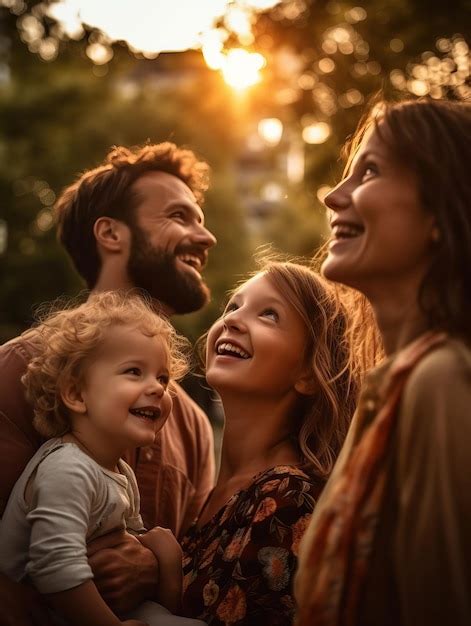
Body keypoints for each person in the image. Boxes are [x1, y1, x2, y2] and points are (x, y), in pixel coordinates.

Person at [0, 142, 217, 624]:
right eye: (180, 216)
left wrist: (153, 562)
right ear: (111, 233)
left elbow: (195, 566)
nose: (207, 237)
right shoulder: (15, 371)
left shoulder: (195, 425)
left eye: (202, 220)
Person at [295, 98, 471, 626]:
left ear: (442, 211)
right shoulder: (388, 387)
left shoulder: (442, 384)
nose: (333, 195)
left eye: (369, 171)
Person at [180, 260, 373, 625]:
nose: (233, 320)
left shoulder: (288, 497)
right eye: (233, 306)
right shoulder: (219, 493)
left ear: (308, 373)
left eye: (269, 315)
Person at [0, 292, 207, 626]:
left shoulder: (118, 470)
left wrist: (164, 557)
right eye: (134, 371)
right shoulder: (67, 468)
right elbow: (54, 567)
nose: (157, 388)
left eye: (163, 377)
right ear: (77, 394)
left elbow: (128, 545)